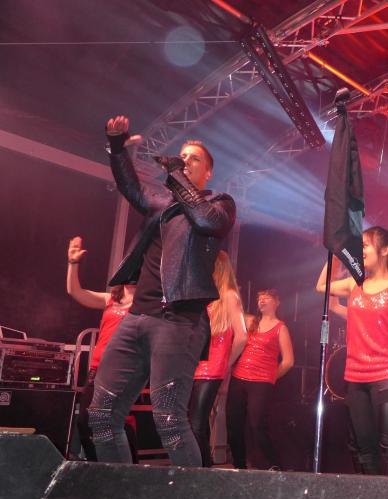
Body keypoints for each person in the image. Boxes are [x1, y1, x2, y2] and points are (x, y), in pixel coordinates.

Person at [88, 115, 235, 466]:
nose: (185, 161)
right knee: (101, 415)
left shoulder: (220, 203)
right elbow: (130, 187)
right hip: (136, 318)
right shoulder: (161, 205)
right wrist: (117, 148)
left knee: (169, 420)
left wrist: (176, 174)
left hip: (178, 321)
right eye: (182, 156)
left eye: (194, 159)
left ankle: (191, 496)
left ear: (208, 172)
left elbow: (205, 220)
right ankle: (123, 489)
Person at [315, 226, 388, 476]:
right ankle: (371, 498)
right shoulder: (354, 283)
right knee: (362, 448)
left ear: (385, 250)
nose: (360, 250)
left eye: (365, 245)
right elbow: (321, 286)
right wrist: (336, 254)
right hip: (355, 377)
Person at [66, 236, 137, 462]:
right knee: (85, 422)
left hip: (120, 370)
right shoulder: (110, 299)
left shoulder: (145, 305)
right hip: (97, 367)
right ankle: (100, 468)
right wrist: (73, 263)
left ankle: (121, 471)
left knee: (107, 422)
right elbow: (76, 292)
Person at [188, 251, 247, 467]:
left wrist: (225, 363)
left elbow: (242, 336)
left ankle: (204, 471)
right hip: (194, 366)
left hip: (212, 369)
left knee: (195, 424)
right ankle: (202, 467)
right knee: (195, 423)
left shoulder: (229, 296)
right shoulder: (206, 296)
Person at [226, 289, 294, 469]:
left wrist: (269, 377)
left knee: (257, 424)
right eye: (259, 298)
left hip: (261, 381)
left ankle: (274, 464)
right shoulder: (250, 321)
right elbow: (232, 312)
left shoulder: (281, 328)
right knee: (233, 424)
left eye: (267, 297)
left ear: (277, 302)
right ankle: (239, 465)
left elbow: (288, 361)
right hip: (239, 377)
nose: (262, 300)